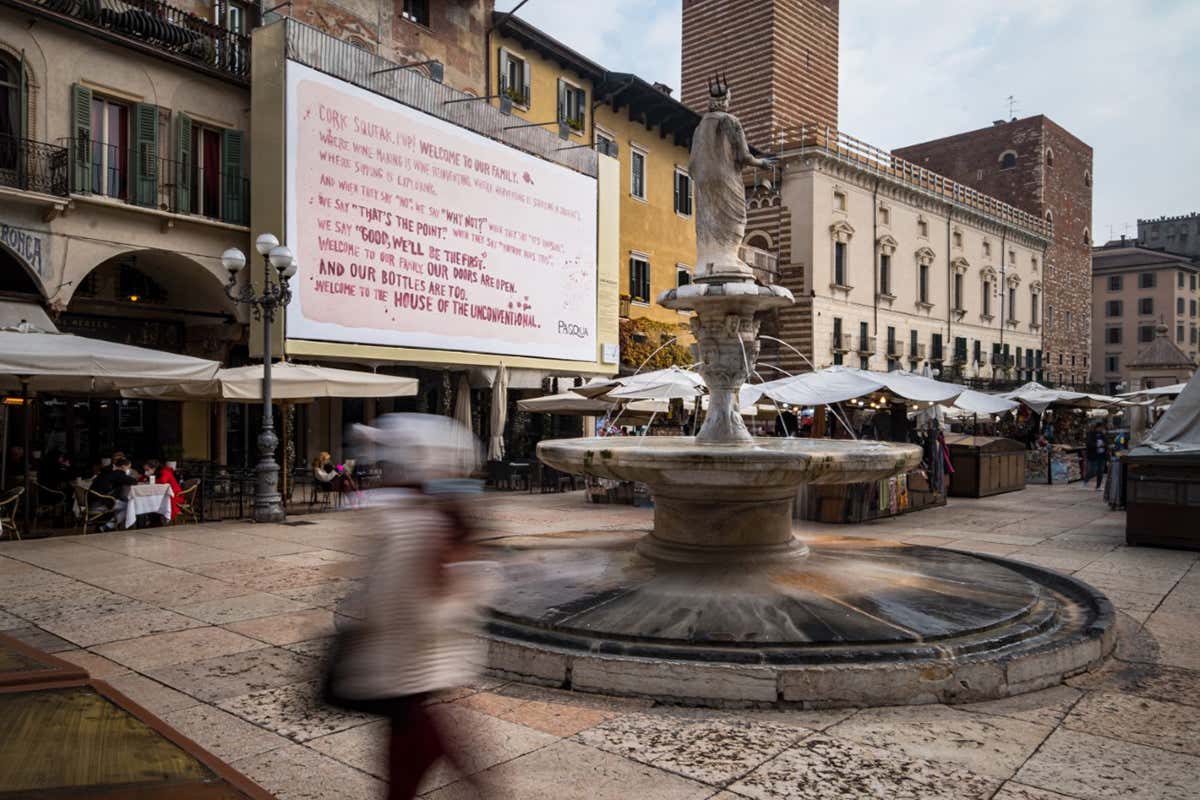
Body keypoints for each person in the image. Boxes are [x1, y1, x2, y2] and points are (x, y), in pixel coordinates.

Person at [324, 414, 489, 800]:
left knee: (410, 766)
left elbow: (390, 605)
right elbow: (413, 610)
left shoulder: (409, 520)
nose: (383, 469)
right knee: (418, 759)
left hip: (406, 676)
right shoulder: (416, 519)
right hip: (408, 676)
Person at [89, 456, 137, 530]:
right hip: (100, 504)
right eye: (128, 468)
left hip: (91, 503)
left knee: (125, 504)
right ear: (123, 466)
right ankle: (107, 526)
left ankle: (106, 525)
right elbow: (133, 481)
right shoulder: (117, 473)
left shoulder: (105, 472)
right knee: (130, 506)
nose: (128, 470)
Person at [1085, 423, 1108, 491]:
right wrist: (1097, 445)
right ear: (1096, 428)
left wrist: (1105, 445)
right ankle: (1086, 480)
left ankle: (1098, 486)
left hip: (1102, 456)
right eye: (1100, 428)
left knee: (1100, 471)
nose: (1101, 429)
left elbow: (1107, 442)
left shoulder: (1103, 435)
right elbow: (1088, 444)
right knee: (1092, 470)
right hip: (1093, 456)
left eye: (1102, 428)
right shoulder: (1091, 434)